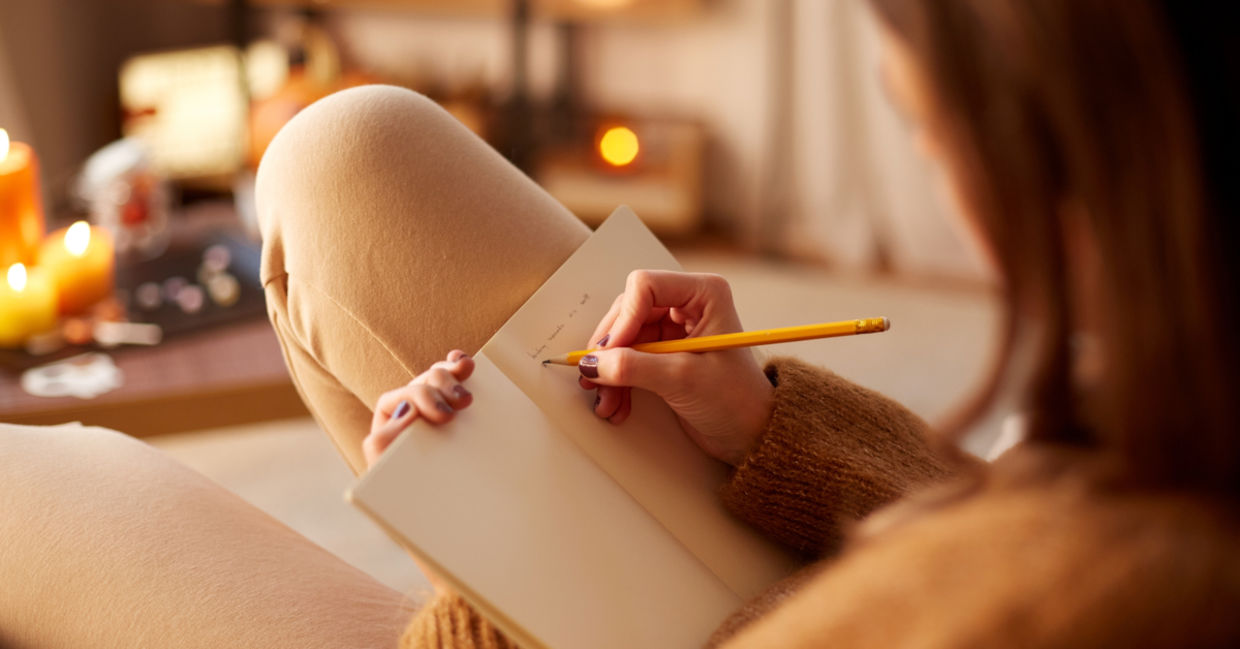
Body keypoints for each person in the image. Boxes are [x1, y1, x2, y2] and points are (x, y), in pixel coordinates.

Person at [0, 1, 1235, 648]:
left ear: (1081, 166)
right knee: (349, 150)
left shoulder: (1105, 588)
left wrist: (481, 556)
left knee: (31, 486)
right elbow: (968, 518)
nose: (940, 179)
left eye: (921, 126)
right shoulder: (1171, 420)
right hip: (794, 580)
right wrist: (766, 423)